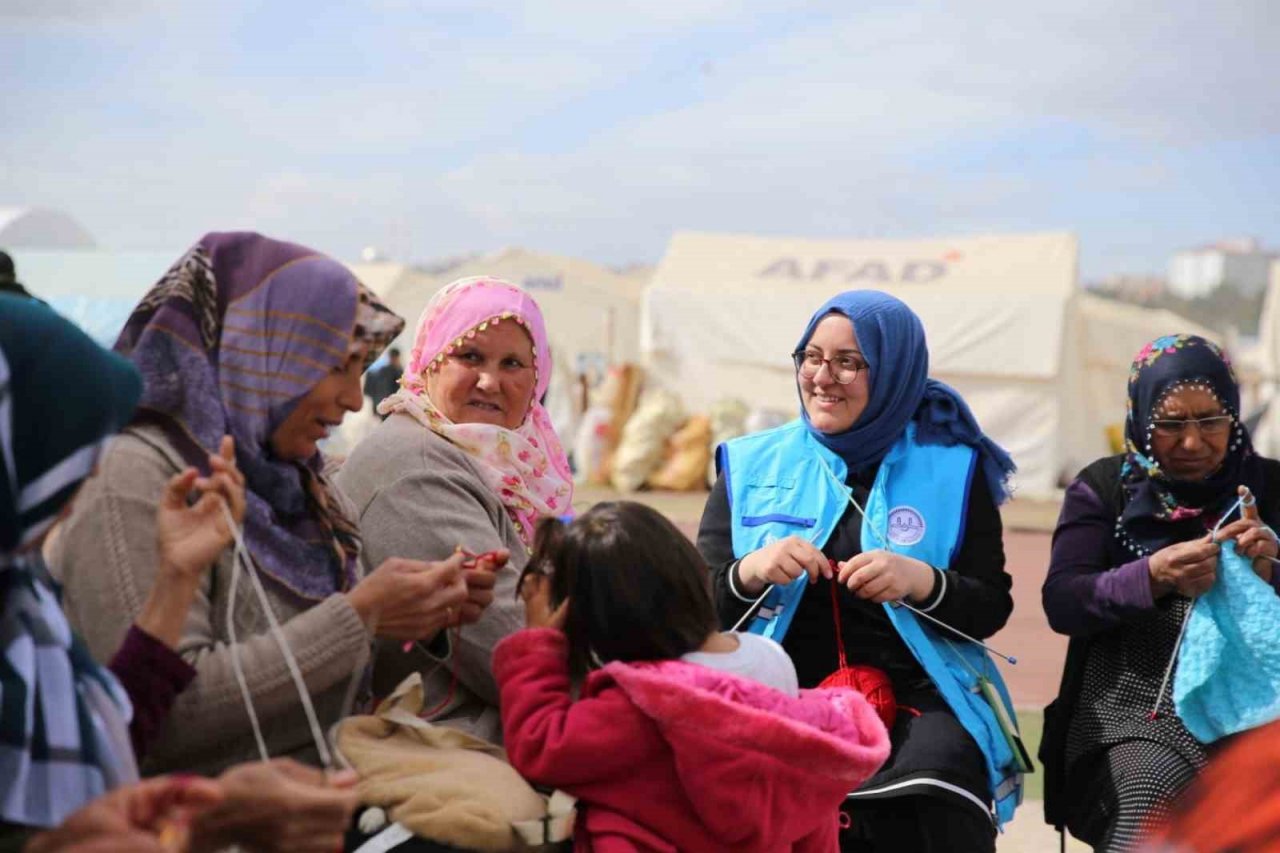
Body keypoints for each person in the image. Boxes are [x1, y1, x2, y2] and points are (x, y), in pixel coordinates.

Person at [49, 232, 477, 776]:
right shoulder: (136, 479)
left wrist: (422, 613)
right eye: (336, 366)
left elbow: (339, 684)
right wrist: (360, 615)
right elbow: (163, 722)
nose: (353, 399)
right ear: (257, 352)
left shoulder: (304, 485)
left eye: (361, 370)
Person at [0, 294, 357, 853]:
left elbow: (114, 740)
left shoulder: (21, 594)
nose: (354, 399)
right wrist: (196, 830)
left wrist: (176, 580)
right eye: (61, 462)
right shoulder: (135, 471)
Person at [697, 290, 1022, 852]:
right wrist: (750, 570)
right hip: (775, 691)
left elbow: (989, 607)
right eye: (811, 357)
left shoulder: (953, 468)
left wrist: (922, 581)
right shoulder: (750, 463)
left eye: (849, 362)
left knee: (938, 787)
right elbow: (694, 605)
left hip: (917, 694)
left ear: (895, 372)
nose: (823, 377)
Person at [494, 502, 891, 851]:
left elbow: (539, 745)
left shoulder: (637, 704)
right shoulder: (770, 663)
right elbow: (807, 806)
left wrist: (537, 640)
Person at [1040, 334, 1280, 852]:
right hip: (1133, 717)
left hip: (1263, 718)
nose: (1192, 443)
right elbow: (1063, 601)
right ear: (1142, 416)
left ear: (1234, 414)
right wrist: (1150, 576)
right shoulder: (1104, 489)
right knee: (1148, 794)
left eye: (1211, 421)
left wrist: (1270, 572)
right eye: (1170, 424)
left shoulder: (1273, 488)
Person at [337, 275, 573, 743]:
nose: (490, 381)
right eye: (469, 356)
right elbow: (513, 652)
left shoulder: (511, 468)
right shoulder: (416, 465)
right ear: (428, 362)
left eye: (513, 364)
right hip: (445, 737)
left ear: (537, 378)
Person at [364, 346, 403, 418]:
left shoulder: (399, 370)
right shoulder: (386, 371)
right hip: (386, 405)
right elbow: (382, 390)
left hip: (391, 405)